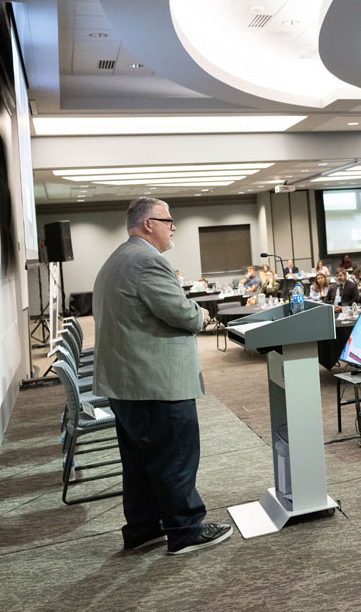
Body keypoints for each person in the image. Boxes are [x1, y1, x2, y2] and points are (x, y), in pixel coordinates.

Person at [92, 197, 232, 555]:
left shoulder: (117, 259)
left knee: (139, 464)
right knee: (175, 459)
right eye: (168, 221)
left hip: (127, 383)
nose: (173, 228)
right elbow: (184, 315)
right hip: (156, 384)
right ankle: (185, 530)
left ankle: (142, 529)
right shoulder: (148, 262)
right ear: (148, 223)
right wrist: (200, 314)